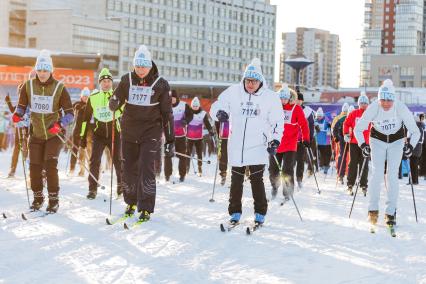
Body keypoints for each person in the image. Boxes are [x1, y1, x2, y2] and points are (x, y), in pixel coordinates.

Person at [211, 58, 284, 225]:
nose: (251, 84)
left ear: (261, 81)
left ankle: (260, 213)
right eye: (248, 80)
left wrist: (275, 140)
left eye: (255, 81)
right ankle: (235, 212)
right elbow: (217, 105)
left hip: (258, 146)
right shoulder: (233, 92)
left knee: (256, 180)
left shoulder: (270, 98)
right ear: (244, 80)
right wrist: (219, 113)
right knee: (236, 181)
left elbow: (277, 122)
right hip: (237, 145)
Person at [109, 45, 174, 221]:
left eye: (143, 66)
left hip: (150, 130)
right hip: (129, 129)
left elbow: (167, 113)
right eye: (137, 66)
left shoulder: (161, 83)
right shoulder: (126, 80)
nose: (140, 69)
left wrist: (170, 140)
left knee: (146, 167)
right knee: (128, 168)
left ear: (150, 65)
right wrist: (113, 102)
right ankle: (131, 202)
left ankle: (145, 207)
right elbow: (115, 99)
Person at [13, 49, 74, 212]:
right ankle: (38, 198)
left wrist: (60, 124)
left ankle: (53, 200)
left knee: (50, 164)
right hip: (36, 133)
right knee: (34, 166)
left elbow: (70, 113)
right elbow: (22, 106)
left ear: (50, 70)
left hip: (54, 133)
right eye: (39, 70)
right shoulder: (28, 85)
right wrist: (18, 114)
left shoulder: (60, 87)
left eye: (45, 70)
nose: (41, 73)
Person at [354, 79, 420, 229]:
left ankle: (390, 212)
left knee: (392, 176)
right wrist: (362, 144)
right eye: (382, 100)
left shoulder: (400, 107)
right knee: (377, 173)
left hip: (396, 141)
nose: (385, 103)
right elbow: (358, 129)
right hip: (377, 140)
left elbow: (415, 131)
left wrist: (410, 145)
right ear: (378, 99)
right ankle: (373, 209)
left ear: (394, 99)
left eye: (389, 100)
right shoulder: (373, 107)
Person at [80, 68, 123, 200]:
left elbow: (124, 113)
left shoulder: (117, 96)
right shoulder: (93, 97)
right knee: (94, 161)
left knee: (118, 161)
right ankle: (92, 189)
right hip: (98, 135)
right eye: (103, 81)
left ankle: (121, 187)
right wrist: (82, 136)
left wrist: (118, 106)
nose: (106, 84)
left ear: (111, 83)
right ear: (100, 83)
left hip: (114, 133)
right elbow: (85, 119)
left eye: (109, 81)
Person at [269, 84, 309, 201]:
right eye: (281, 98)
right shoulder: (274, 107)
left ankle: (288, 192)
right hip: (276, 143)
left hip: (290, 143)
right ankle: (274, 186)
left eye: (285, 98)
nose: (283, 101)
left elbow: (303, 124)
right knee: (273, 169)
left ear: (290, 98)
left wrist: (306, 138)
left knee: (287, 168)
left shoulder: (296, 108)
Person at [343, 94, 371, 196]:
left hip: (366, 144)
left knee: (364, 165)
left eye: (365, 103)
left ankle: (363, 184)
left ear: (368, 104)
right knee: (353, 164)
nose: (363, 105)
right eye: (361, 103)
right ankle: (350, 184)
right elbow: (346, 123)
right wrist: (346, 133)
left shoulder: (370, 114)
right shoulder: (354, 113)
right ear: (358, 104)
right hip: (354, 143)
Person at [164, 90, 193, 182]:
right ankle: (167, 175)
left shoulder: (183, 105)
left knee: (182, 156)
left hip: (181, 135)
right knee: (168, 155)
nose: (171, 100)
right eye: (170, 98)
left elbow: (190, 115)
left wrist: (186, 121)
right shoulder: (165, 106)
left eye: (173, 98)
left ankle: (182, 174)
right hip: (169, 136)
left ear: (176, 98)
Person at [186, 97, 214, 177]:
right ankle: (187, 168)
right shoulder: (188, 113)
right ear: (191, 106)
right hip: (189, 137)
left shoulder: (203, 113)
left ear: (199, 106)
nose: (195, 107)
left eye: (196, 105)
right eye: (193, 106)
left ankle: (199, 168)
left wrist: (210, 130)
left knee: (199, 153)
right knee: (188, 153)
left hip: (199, 137)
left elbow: (207, 123)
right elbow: (184, 121)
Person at [5, 92, 30, 178]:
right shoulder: (20, 104)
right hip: (19, 128)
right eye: (19, 92)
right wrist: (8, 101)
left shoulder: (30, 102)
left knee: (27, 148)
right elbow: (13, 110)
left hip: (28, 128)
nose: (20, 94)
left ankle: (30, 170)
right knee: (17, 148)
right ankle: (12, 170)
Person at [294, 91, 315, 188]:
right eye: (296, 99)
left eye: (299, 100)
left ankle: (299, 178)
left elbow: (311, 125)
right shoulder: (291, 109)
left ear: (302, 101)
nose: (297, 101)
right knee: (290, 161)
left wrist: (309, 138)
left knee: (300, 160)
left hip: (302, 140)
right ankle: (288, 179)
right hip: (291, 139)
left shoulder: (307, 111)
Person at [69, 87, 90, 176]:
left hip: (86, 131)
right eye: (84, 96)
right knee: (74, 149)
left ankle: (83, 170)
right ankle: (72, 168)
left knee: (84, 150)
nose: (85, 98)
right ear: (81, 96)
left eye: (87, 96)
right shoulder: (77, 104)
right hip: (77, 130)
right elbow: (71, 110)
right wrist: (75, 109)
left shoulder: (91, 105)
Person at [210, 100, 230, 186]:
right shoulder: (219, 108)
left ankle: (239, 173)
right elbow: (215, 121)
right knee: (223, 155)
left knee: (236, 155)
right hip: (224, 136)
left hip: (235, 137)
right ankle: (223, 174)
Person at [332, 103, 350, 184]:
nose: (346, 113)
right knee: (342, 156)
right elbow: (334, 128)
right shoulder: (341, 118)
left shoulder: (353, 117)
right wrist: (336, 137)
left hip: (352, 141)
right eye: (344, 111)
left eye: (347, 111)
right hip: (342, 140)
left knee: (350, 158)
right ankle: (341, 174)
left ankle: (348, 174)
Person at [314, 107, 332, 175]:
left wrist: (329, 131)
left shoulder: (326, 122)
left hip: (325, 142)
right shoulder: (314, 122)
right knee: (317, 155)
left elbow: (330, 129)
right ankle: (318, 166)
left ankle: (326, 166)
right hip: (317, 141)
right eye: (318, 116)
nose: (319, 117)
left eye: (320, 116)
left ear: (322, 116)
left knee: (325, 155)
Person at [407, 114, 424, 185]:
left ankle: (413, 181)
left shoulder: (414, 128)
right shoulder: (422, 128)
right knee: (415, 165)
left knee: (412, 165)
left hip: (413, 147)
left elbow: (409, 137)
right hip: (419, 148)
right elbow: (422, 139)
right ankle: (415, 180)